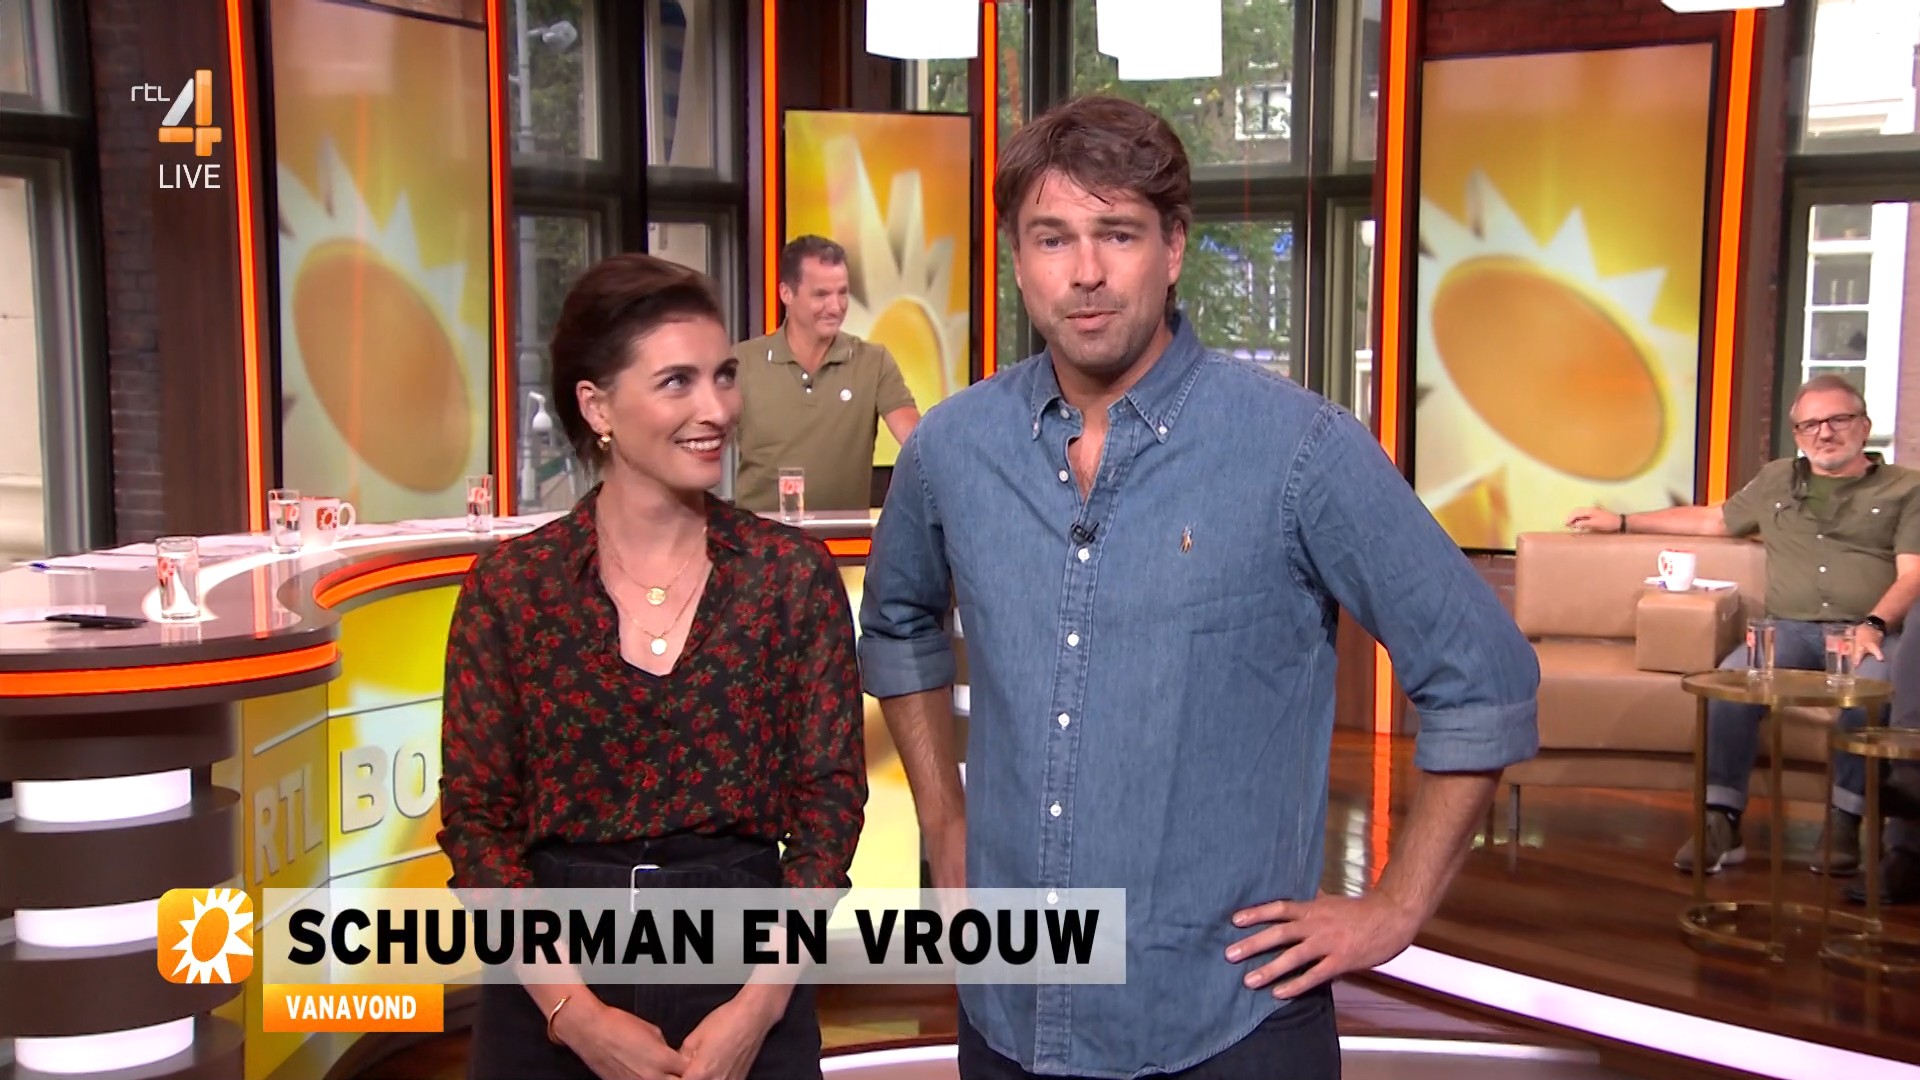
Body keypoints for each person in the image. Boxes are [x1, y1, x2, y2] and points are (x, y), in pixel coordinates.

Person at [856, 95, 1540, 1080]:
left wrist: (1395, 908)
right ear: (1017, 258)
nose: (1085, 272)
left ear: (1173, 247)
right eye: (1052, 238)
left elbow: (1483, 675)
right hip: (1010, 1013)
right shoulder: (953, 449)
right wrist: (943, 819)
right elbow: (898, 623)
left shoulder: (1300, 450)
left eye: (1117, 234)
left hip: (1228, 1021)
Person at [438, 252, 867, 1079]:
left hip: (751, 965)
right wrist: (577, 1016)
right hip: (554, 973)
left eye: (724, 376)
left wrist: (758, 1007)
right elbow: (478, 825)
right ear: (596, 405)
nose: (716, 409)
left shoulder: (789, 578)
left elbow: (829, 809)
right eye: (677, 382)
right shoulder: (514, 589)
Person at [1567, 374, 1920, 901]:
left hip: (1866, 631)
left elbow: (1913, 573)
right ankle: (1721, 820)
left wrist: (1873, 624)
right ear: (1797, 434)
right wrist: (1620, 521)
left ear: (1863, 426)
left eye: (1838, 420)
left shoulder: (1905, 488)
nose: (1825, 433)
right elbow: (1714, 521)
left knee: (1868, 694)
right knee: (1730, 685)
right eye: (1810, 425)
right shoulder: (1777, 479)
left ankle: (1845, 821)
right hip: (1787, 629)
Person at [732, 236, 921, 513]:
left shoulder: (873, 361)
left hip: (843, 537)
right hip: (757, 536)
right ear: (786, 293)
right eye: (821, 295)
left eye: (842, 293)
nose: (835, 307)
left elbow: (916, 441)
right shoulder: (743, 363)